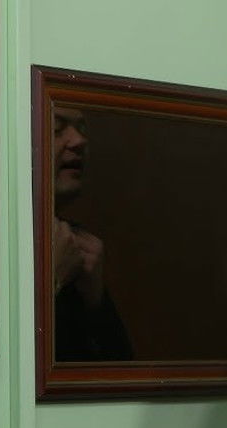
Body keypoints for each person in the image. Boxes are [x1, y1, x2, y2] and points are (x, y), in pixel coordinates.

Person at [52, 106, 132, 362]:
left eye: (82, 129)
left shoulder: (79, 246)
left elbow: (119, 372)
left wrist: (95, 303)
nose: (79, 140)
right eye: (56, 127)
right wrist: (52, 281)